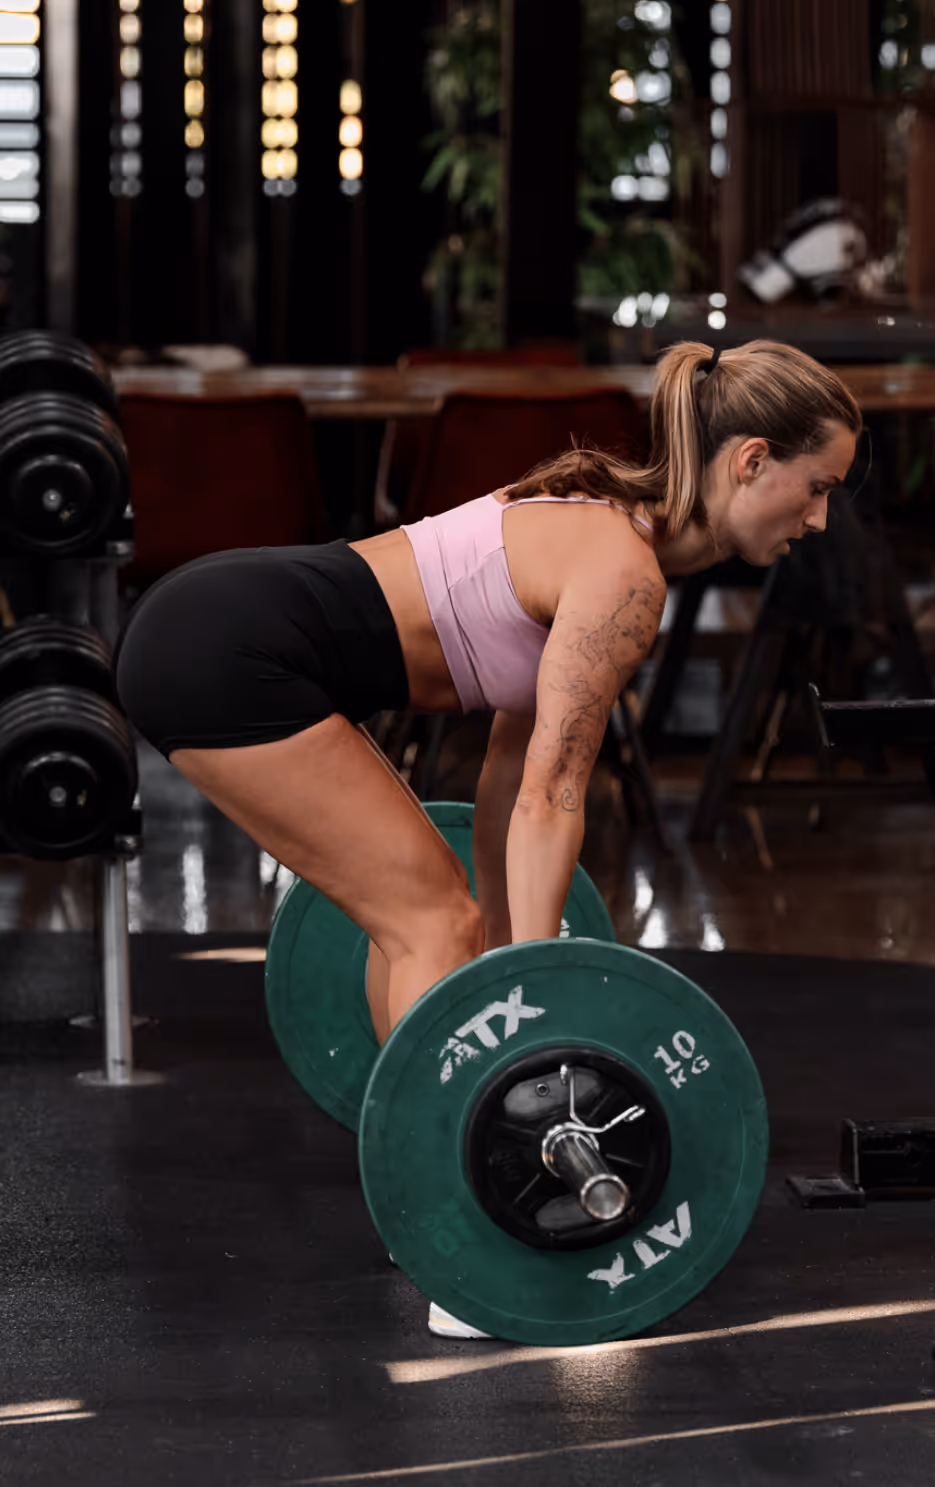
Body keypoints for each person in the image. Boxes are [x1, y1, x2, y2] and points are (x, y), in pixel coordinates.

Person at [115, 337, 859, 1335]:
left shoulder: (602, 526)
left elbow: (513, 773)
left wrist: (514, 946)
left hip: (218, 631)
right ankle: (455, 1222)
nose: (817, 519)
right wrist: (530, 986)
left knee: (426, 916)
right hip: (232, 650)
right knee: (432, 918)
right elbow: (556, 793)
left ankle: (418, 1200)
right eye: (816, 488)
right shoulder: (622, 571)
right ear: (749, 460)